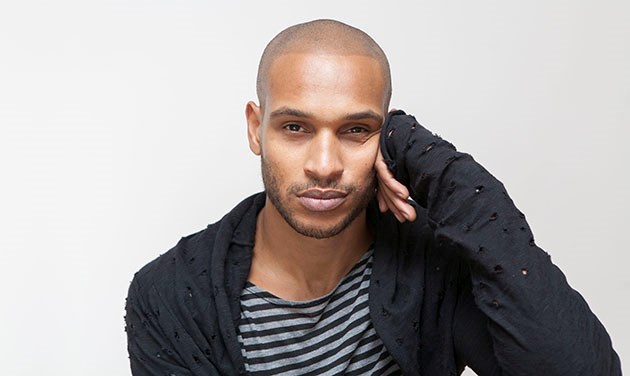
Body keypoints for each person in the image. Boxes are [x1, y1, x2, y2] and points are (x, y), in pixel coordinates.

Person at [124, 19, 621, 375]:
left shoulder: (433, 265)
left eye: (356, 129)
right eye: (294, 127)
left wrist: (444, 173)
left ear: (387, 139)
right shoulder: (168, 294)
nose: (324, 164)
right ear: (256, 129)